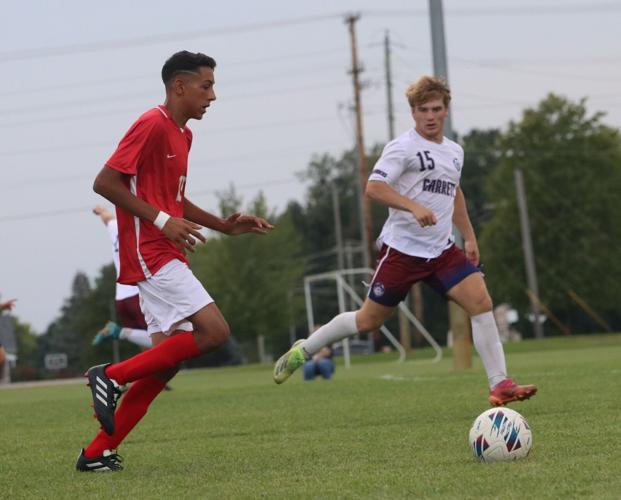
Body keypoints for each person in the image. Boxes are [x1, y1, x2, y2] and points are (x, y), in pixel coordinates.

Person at [274, 76, 537, 408]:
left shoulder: (455, 151)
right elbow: (374, 187)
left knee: (481, 303)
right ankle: (305, 350)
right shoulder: (403, 147)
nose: (430, 116)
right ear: (412, 112)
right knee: (368, 320)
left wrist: (469, 236)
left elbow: (454, 193)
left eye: (436, 109)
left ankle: (500, 385)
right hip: (403, 252)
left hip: (442, 251)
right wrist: (413, 206)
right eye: (422, 109)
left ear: (446, 110)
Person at [76, 50, 273, 472]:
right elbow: (105, 182)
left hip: (163, 250)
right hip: (150, 252)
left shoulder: (183, 136)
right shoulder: (151, 124)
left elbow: (175, 199)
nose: (213, 96)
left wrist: (223, 224)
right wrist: (163, 221)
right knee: (215, 332)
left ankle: (95, 453)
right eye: (207, 86)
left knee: (165, 366)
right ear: (178, 87)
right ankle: (110, 375)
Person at [91, 205, 152, 350]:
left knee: (145, 344)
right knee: (159, 339)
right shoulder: (143, 232)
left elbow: (107, 218)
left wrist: (101, 211)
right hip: (140, 295)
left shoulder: (116, 227)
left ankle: (149, 372)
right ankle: (118, 332)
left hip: (122, 298)